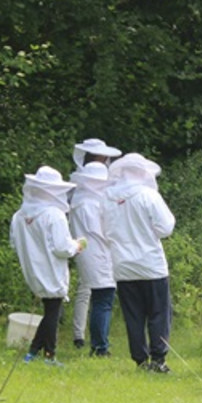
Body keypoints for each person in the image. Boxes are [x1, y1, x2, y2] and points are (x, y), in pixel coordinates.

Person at [104, 153, 176, 373]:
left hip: (122, 266)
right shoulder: (148, 195)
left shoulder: (107, 197)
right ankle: (158, 358)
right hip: (150, 264)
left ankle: (140, 360)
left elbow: (105, 230)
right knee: (158, 313)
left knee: (133, 315)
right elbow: (166, 227)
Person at [9, 166, 86, 366]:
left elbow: (14, 242)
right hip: (51, 269)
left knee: (51, 309)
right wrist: (77, 245)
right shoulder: (54, 214)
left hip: (32, 270)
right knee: (53, 311)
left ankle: (32, 352)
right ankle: (49, 356)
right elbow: (62, 247)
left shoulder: (19, 215)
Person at [69, 139, 122, 347]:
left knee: (93, 294)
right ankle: (99, 346)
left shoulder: (78, 197)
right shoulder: (89, 202)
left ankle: (85, 338)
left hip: (86, 251)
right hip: (97, 253)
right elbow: (101, 231)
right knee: (103, 299)